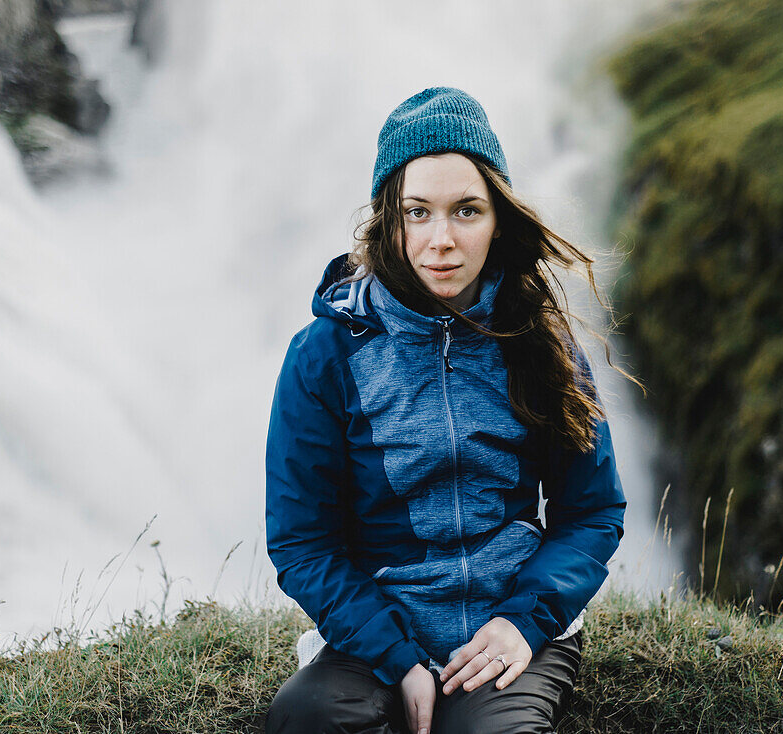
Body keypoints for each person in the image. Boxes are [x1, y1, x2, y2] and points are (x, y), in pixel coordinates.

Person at [265, 86, 629, 734]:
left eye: (466, 211)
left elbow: (593, 510)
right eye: (418, 212)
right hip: (380, 624)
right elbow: (303, 541)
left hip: (510, 619)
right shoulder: (324, 355)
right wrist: (397, 657)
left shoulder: (539, 341)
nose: (441, 241)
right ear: (388, 217)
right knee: (304, 719)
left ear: (498, 218)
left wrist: (523, 623)